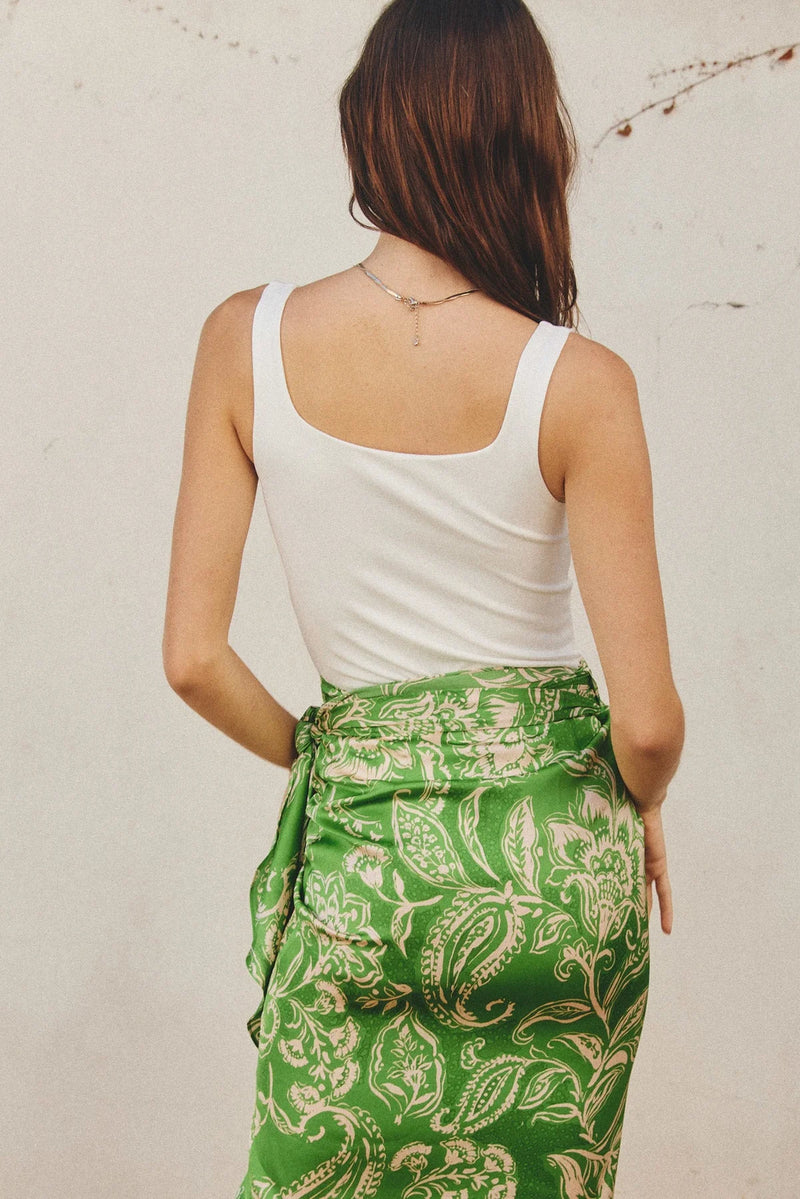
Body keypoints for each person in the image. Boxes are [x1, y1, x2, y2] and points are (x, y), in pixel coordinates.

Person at [162, 1, 685, 1195]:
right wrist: (636, 799)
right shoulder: (581, 380)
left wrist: (338, 761)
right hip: (559, 866)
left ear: (369, 129)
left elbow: (193, 656)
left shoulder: (243, 341)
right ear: (525, 144)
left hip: (365, 858)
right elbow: (645, 724)